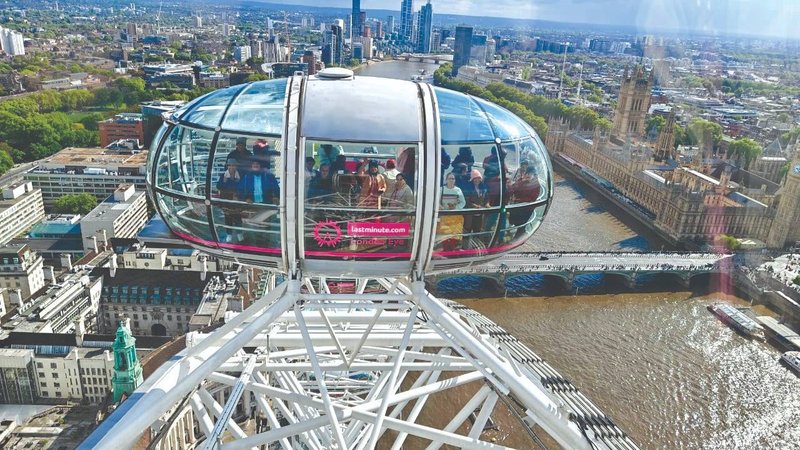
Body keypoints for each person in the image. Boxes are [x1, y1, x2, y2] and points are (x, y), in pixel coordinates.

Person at [437, 173, 466, 251]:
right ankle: (446, 250)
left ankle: (451, 251)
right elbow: (437, 201)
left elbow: (463, 202)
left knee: (454, 236)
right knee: (444, 235)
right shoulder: (441, 189)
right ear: (446, 180)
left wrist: (455, 208)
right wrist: (442, 208)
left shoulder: (458, 190)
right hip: (445, 216)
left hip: (455, 217)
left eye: (453, 179)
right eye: (450, 178)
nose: (451, 180)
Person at [216, 159, 243, 242]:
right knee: (228, 218)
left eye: (233, 165)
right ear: (227, 166)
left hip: (236, 200)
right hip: (226, 201)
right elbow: (219, 186)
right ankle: (229, 234)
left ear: (236, 166)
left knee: (238, 218)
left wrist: (229, 188)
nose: (231, 167)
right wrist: (225, 183)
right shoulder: (223, 176)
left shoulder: (240, 175)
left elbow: (241, 188)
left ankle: (239, 234)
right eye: (230, 165)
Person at [463, 169, 489, 242]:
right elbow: (466, 200)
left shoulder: (483, 187)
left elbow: (487, 198)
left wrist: (487, 204)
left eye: (479, 178)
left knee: (477, 230)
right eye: (475, 178)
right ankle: (464, 246)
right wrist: (474, 206)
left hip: (479, 214)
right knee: (467, 230)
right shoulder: (468, 187)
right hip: (470, 214)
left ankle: (475, 247)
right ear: (472, 179)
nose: (477, 180)